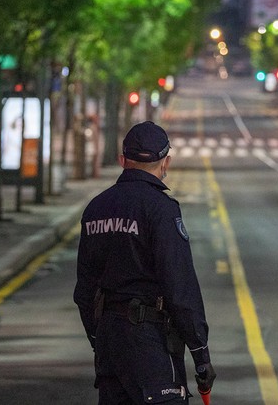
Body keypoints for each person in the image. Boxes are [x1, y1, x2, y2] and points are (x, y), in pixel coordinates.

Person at [74, 121, 216, 404]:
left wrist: (98, 339)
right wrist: (201, 355)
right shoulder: (161, 210)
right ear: (166, 163)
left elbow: (84, 290)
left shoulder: (96, 208)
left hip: (110, 347)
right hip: (152, 348)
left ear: (122, 160)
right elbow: (180, 288)